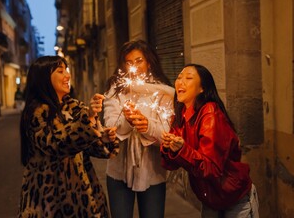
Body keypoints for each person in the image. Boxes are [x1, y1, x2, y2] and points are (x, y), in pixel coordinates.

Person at [18, 55, 119, 218]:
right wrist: (88, 121)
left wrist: (104, 138)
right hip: (49, 201)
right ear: (44, 78)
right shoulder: (36, 112)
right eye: (60, 71)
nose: (67, 75)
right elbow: (56, 145)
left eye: (66, 70)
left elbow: (92, 148)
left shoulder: (75, 107)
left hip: (84, 198)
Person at [161, 64, 259, 218]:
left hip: (233, 196)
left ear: (202, 88)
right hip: (209, 198)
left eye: (188, 78)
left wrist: (182, 149)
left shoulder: (210, 113)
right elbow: (170, 164)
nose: (181, 82)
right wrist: (168, 148)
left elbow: (211, 168)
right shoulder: (180, 115)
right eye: (179, 77)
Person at [103, 40, 175, 218]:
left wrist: (147, 126)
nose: (133, 66)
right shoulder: (116, 89)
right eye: (128, 62)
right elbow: (110, 123)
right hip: (118, 170)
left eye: (138, 60)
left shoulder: (163, 91)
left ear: (149, 62)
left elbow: (166, 132)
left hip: (153, 171)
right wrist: (128, 120)